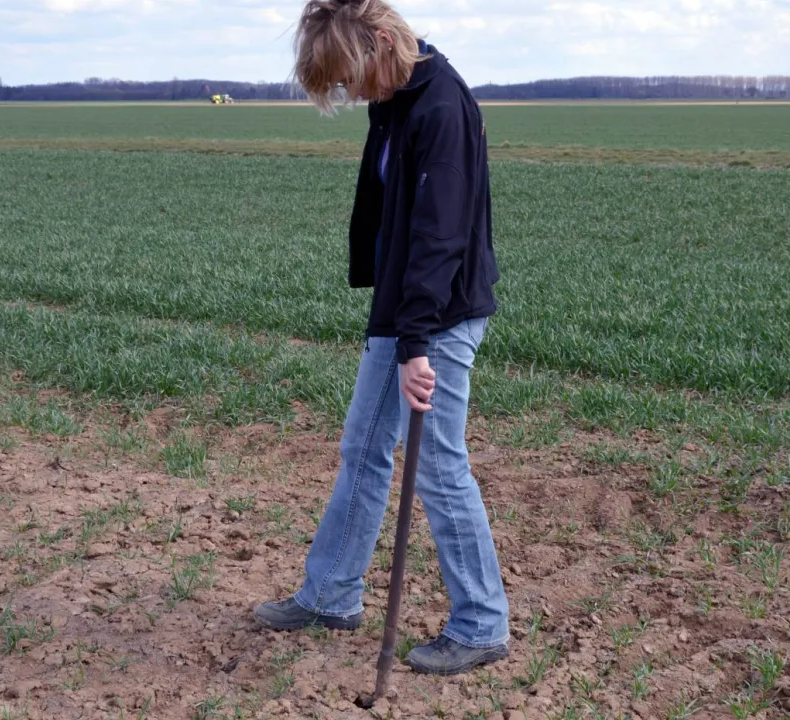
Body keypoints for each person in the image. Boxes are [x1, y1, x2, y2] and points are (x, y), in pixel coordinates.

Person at [253, 0, 510, 676]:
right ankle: (331, 595)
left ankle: (482, 623)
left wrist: (417, 343)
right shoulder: (393, 99)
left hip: (439, 314)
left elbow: (440, 237)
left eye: (347, 77)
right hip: (404, 311)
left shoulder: (440, 108)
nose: (347, 92)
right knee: (364, 448)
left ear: (379, 48)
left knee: (438, 463)